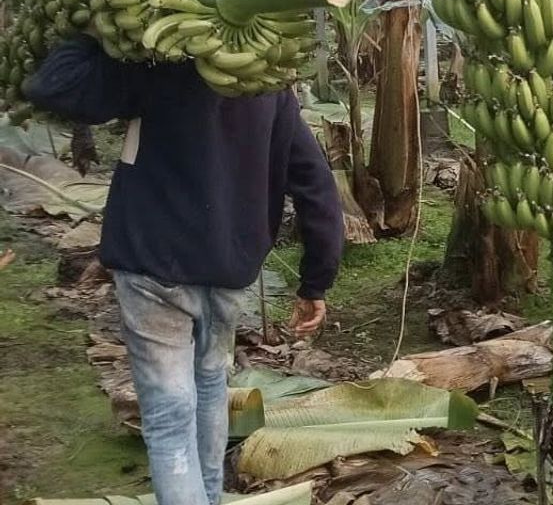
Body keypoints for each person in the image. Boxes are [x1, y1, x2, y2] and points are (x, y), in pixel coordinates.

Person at [23, 32, 343, 505]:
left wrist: (94, 31)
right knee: (210, 384)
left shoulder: (152, 65)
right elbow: (314, 182)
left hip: (153, 264)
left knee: (169, 417)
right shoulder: (267, 84)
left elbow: (50, 85)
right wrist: (316, 280)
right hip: (228, 269)